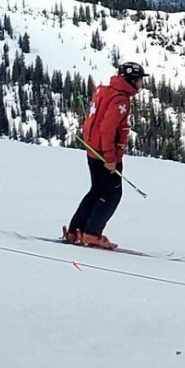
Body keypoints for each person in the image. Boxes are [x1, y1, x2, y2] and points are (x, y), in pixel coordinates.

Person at [63, 61, 146, 250]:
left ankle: (76, 230)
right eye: (140, 80)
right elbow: (108, 128)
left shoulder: (104, 91)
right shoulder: (120, 99)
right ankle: (92, 233)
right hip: (104, 153)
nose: (141, 84)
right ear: (131, 80)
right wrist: (110, 157)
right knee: (112, 194)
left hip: (93, 150)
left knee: (97, 190)